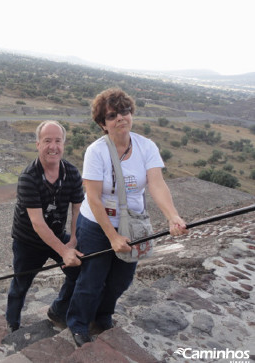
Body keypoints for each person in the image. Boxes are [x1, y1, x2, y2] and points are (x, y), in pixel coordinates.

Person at [66, 88, 189, 347]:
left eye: (124, 111)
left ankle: (103, 316)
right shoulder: (96, 152)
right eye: (112, 115)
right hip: (97, 225)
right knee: (91, 279)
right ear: (103, 123)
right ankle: (78, 323)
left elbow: (156, 184)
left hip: (132, 224)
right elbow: (94, 197)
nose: (120, 118)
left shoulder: (146, 147)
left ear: (131, 113)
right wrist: (111, 236)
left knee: (121, 279)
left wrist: (172, 216)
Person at [6, 120, 85, 332]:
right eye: (47, 140)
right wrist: (64, 251)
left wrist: (73, 241)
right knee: (20, 285)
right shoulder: (28, 178)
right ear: (38, 144)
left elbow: (78, 209)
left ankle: (59, 310)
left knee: (80, 271)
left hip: (58, 236)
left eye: (58, 141)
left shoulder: (72, 173)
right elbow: (38, 223)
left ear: (64, 144)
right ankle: (12, 325)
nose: (53, 146)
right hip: (28, 241)